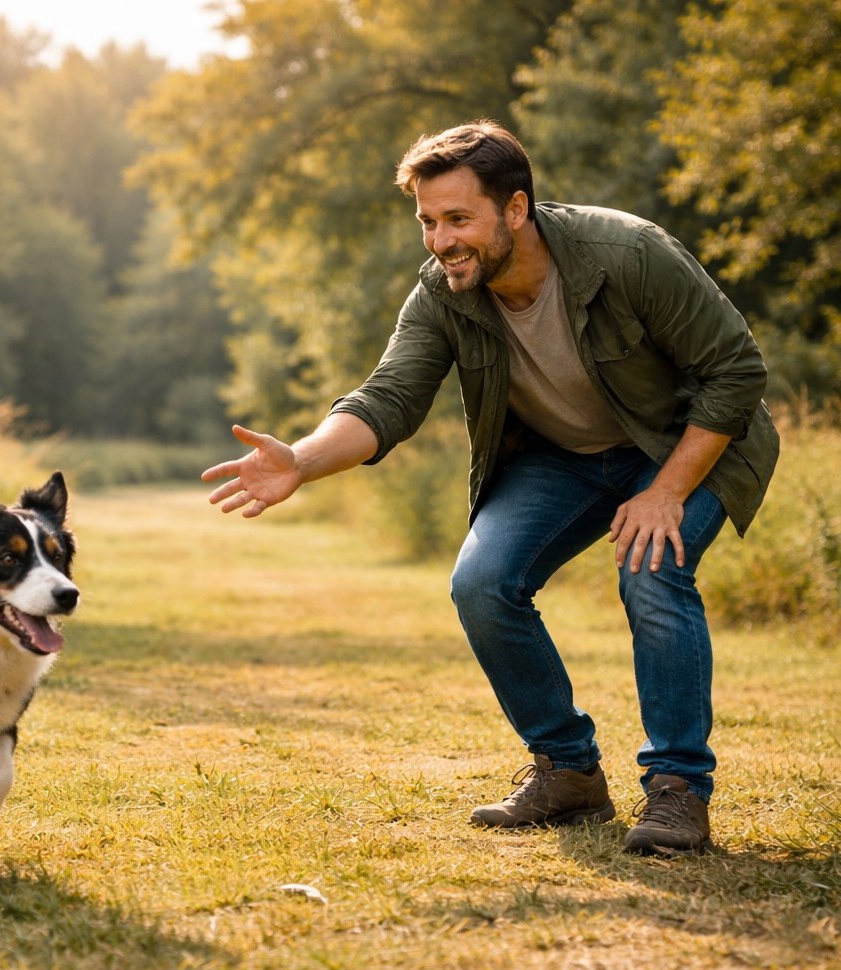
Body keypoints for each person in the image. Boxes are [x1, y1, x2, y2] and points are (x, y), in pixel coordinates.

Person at [202, 120, 779, 856]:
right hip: (562, 458)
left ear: (515, 209)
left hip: (678, 445)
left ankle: (676, 792)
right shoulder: (443, 291)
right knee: (481, 582)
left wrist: (666, 490)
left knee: (650, 566)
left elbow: (736, 372)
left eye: (456, 219)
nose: (440, 241)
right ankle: (567, 772)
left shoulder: (627, 253)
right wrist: (302, 461)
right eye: (427, 222)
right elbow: (388, 397)